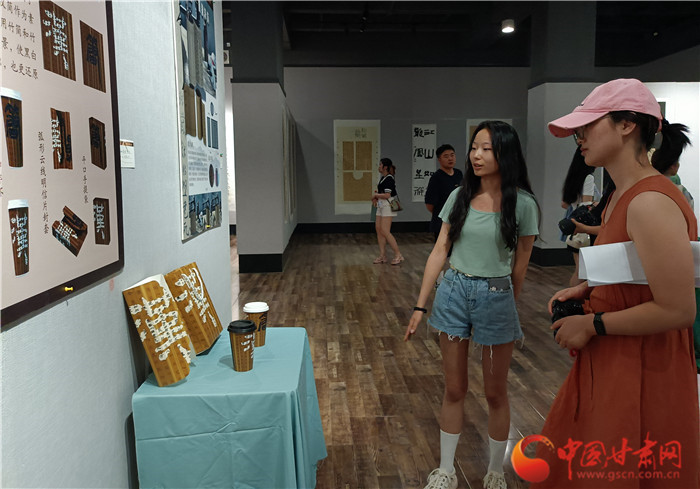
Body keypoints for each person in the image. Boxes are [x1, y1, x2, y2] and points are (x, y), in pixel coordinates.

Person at [535, 78, 699, 488]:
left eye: (588, 126)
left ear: (627, 125)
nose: (580, 138)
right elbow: (636, 270)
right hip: (617, 361)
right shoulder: (622, 197)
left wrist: (593, 323)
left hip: (642, 368)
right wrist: (588, 290)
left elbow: (678, 309)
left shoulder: (649, 201)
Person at [405, 121, 539, 489]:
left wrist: (509, 304)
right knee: (454, 388)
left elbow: (521, 265)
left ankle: (495, 471)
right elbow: (440, 251)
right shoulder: (459, 197)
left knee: (495, 392)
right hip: (453, 292)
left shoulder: (523, 204)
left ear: (505, 154)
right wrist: (420, 306)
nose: (476, 155)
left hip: (497, 295)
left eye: (486, 149)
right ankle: (445, 470)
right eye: (474, 147)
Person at [560, 147, 599, 286]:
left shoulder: (572, 178)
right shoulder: (588, 178)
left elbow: (564, 204)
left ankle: (572, 295)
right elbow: (586, 205)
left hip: (573, 228)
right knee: (583, 273)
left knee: (579, 271)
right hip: (583, 228)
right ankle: (574, 296)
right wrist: (597, 204)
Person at [426, 144, 464, 241]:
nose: (450, 158)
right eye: (446, 156)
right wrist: (443, 213)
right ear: (439, 159)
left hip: (457, 220)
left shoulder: (459, 174)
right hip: (441, 221)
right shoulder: (436, 178)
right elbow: (429, 204)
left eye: (452, 155)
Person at [372, 158, 404, 265]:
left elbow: (387, 195)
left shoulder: (389, 178)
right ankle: (382, 255)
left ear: (385, 167)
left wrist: (375, 195)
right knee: (379, 229)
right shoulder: (383, 178)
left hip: (388, 205)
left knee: (385, 230)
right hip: (381, 204)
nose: (379, 166)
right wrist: (377, 197)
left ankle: (398, 254)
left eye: (380, 165)